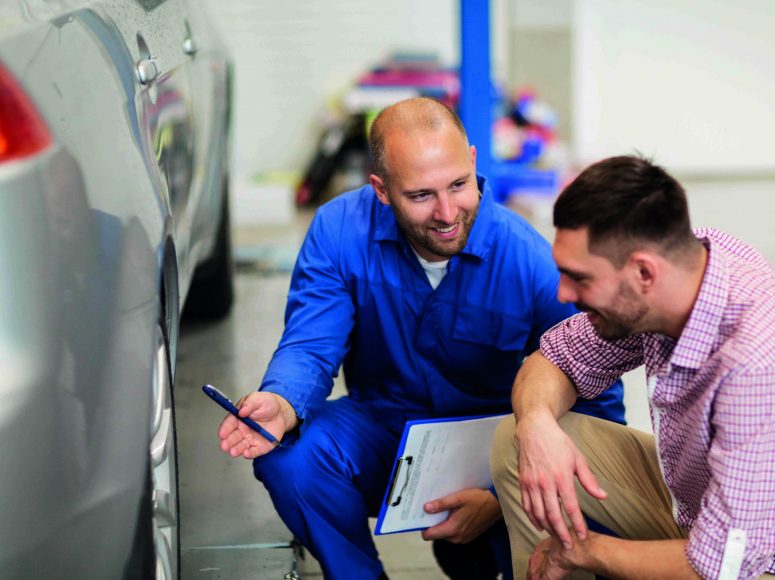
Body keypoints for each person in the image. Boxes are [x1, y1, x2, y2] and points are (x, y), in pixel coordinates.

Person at [217, 97, 625, 579]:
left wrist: (498, 498)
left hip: (496, 452)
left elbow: (595, 408)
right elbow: (311, 341)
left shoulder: (530, 261)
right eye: (421, 195)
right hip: (383, 429)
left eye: (458, 184)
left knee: (579, 509)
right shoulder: (338, 231)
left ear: (473, 161)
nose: (448, 212)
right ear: (381, 190)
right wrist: (282, 402)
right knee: (291, 456)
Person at [490, 155, 775, 579]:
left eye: (580, 278)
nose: (564, 293)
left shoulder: (752, 361)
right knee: (519, 441)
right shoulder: (690, 262)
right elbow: (555, 357)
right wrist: (535, 424)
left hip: (751, 561)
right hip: (695, 506)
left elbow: (725, 565)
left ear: (644, 272)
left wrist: (587, 552)